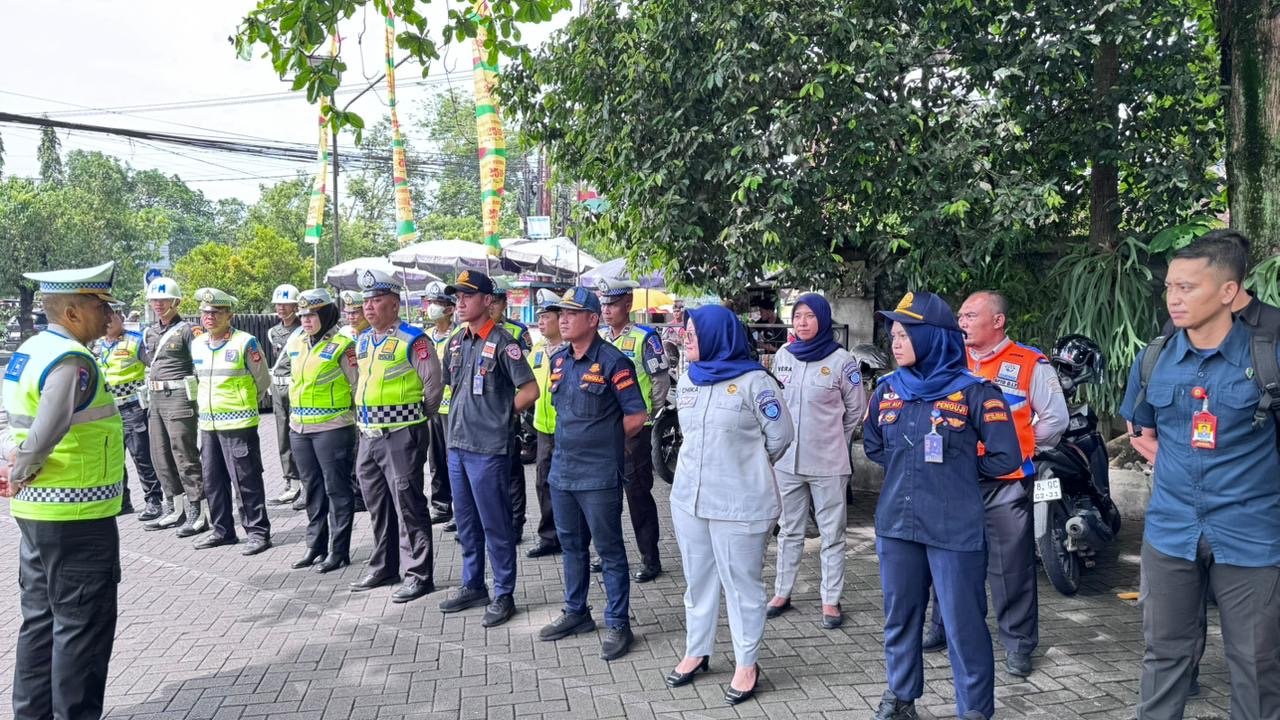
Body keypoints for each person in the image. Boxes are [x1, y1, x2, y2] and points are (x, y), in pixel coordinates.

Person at [1120, 236, 1280, 720]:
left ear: (1229, 291)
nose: (1174, 298)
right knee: (1164, 658)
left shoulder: (1268, 355)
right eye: (1170, 286)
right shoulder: (1155, 357)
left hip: (1251, 534)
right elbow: (1140, 429)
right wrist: (1171, 464)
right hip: (1170, 532)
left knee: (1256, 665)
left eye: (1188, 287)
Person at [862, 291, 1022, 720]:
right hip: (897, 524)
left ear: (933, 337)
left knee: (963, 626)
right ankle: (900, 696)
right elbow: (876, 445)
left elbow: (1007, 456)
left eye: (904, 334)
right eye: (892, 334)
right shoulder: (888, 390)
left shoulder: (975, 392)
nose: (895, 342)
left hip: (955, 529)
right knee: (900, 618)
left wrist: (958, 473)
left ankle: (974, 711)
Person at [918, 290, 1069, 676]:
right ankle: (940, 627)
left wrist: (1017, 449)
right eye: (961, 316)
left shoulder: (1030, 363)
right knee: (946, 561)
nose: (962, 322)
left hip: (1004, 483)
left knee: (1010, 569)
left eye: (970, 315)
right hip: (954, 482)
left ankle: (1018, 644)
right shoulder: (950, 361)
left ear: (997, 321)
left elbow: (1054, 420)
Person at [2, 262, 124, 720]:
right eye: (99, 305)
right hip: (77, 516)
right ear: (73, 312)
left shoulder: (31, 349)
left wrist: (10, 468)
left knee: (40, 623)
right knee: (81, 632)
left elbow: (13, 422)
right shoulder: (71, 360)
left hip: (36, 513)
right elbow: (46, 430)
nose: (108, 315)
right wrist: (21, 469)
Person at [666, 304, 794, 706]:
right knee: (698, 579)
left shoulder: (756, 382)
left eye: (693, 332)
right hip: (690, 498)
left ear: (718, 335)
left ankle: (746, 662)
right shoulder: (689, 378)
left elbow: (781, 436)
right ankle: (697, 650)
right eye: (685, 331)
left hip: (740, 502)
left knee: (742, 586)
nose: (686, 338)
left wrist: (749, 463)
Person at [537, 287, 649, 659]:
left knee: (610, 551)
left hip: (599, 475)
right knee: (571, 547)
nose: (562, 319)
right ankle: (576, 612)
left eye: (571, 313)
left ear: (592, 319)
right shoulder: (559, 361)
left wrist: (604, 442)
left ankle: (618, 622)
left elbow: (636, 416)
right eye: (560, 313)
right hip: (563, 472)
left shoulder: (615, 362)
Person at [437, 270, 539, 627]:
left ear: (486, 300)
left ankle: (504, 592)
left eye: (467, 296)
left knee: (496, 525)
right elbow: (454, 385)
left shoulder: (504, 342)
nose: (459, 303)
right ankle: (473, 584)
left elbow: (530, 391)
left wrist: (500, 415)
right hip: (458, 446)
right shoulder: (454, 341)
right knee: (466, 522)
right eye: (456, 297)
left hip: (489, 449)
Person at [766, 293, 868, 629]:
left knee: (832, 533)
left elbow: (855, 408)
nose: (802, 322)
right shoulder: (783, 356)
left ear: (823, 319)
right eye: (797, 316)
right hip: (787, 462)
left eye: (810, 316)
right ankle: (783, 592)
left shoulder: (842, 361)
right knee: (789, 530)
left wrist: (835, 436)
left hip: (828, 460)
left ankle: (830, 599)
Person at [347, 269, 444, 603]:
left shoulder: (414, 339)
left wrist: (413, 420)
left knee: (408, 503)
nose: (369, 308)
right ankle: (384, 566)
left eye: (376, 301)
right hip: (368, 435)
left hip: (401, 434)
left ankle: (418, 573)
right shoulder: (362, 340)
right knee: (378, 504)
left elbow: (433, 387)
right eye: (366, 302)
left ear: (394, 304)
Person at [279, 289, 359, 574]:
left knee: (336, 490)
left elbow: (356, 385)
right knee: (312, 489)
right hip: (300, 427)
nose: (306, 320)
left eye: (312, 314)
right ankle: (315, 546)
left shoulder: (342, 344)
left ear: (326, 315)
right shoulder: (297, 342)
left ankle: (339, 551)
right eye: (302, 315)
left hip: (333, 427)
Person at [189, 288, 273, 555]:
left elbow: (262, 379)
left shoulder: (245, 342)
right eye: (205, 312)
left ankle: (258, 533)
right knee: (212, 480)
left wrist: (244, 402)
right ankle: (222, 530)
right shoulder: (198, 343)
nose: (209, 317)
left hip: (238, 422)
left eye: (215, 312)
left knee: (245, 480)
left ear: (229, 315)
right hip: (208, 424)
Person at [598, 277, 670, 582]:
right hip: (604, 430)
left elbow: (660, 380)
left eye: (612, 303)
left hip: (634, 432)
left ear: (628, 303)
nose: (606, 310)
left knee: (638, 496)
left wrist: (647, 415)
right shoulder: (599, 338)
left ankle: (650, 559)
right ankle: (610, 556)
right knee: (604, 498)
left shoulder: (645, 338)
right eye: (603, 304)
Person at [141, 275, 208, 534]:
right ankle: (174, 507)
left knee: (184, 453)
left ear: (176, 301)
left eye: (163, 299)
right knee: (160, 454)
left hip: (180, 397)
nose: (158, 304)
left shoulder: (189, 330)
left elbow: (201, 363)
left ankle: (198, 509)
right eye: (154, 300)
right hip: (155, 399)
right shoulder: (150, 331)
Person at [92, 302, 161, 518]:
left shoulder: (135, 340)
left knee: (140, 455)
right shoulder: (98, 344)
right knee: (113, 457)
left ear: (121, 318)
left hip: (132, 408)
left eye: (112, 316)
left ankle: (154, 500)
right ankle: (122, 501)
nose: (108, 321)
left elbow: (156, 366)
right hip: (107, 409)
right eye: (104, 317)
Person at [490, 278, 533, 541]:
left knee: (512, 470)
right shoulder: (466, 332)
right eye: (488, 300)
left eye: (496, 301)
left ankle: (516, 522)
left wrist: (512, 410)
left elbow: (526, 374)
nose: (491, 306)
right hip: (482, 417)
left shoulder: (516, 332)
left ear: (504, 303)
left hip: (509, 412)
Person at [526, 291, 566, 559]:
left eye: (546, 316)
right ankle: (549, 537)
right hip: (543, 428)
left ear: (560, 318)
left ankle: (573, 536)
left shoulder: (571, 348)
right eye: (539, 317)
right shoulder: (537, 351)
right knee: (543, 483)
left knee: (570, 486)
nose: (541, 322)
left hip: (568, 428)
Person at [267, 283, 304, 511]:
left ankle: (307, 485)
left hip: (297, 386)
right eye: (278, 304)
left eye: (285, 304)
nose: (281, 308)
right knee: (283, 437)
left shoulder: (303, 329)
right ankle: (291, 483)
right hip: (278, 389)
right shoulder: (273, 332)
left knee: (300, 436)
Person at [424, 283, 458, 525]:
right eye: (430, 303)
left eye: (438, 303)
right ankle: (441, 505)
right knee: (435, 459)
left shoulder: (458, 336)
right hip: (431, 407)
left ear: (449, 309)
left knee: (453, 459)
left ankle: (460, 505)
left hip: (452, 408)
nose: (432, 308)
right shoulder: (424, 337)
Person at [338, 289, 370, 513]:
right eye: (348, 313)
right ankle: (356, 493)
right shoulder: (344, 336)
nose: (352, 317)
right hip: (348, 401)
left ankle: (364, 493)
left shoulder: (374, 334)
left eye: (356, 312)